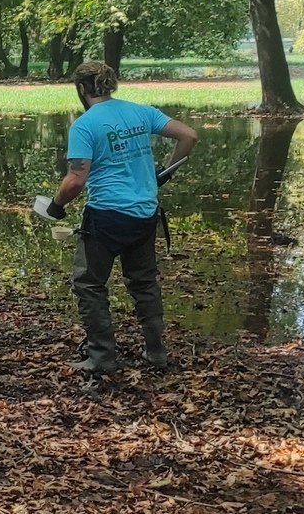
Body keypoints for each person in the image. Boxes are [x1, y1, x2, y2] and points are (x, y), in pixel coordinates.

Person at [46, 62, 198, 374]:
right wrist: (163, 175)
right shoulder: (141, 112)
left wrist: (56, 205)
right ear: (110, 85)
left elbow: (75, 180)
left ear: (81, 89)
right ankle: (156, 352)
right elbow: (189, 136)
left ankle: (101, 357)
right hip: (145, 214)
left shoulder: (85, 125)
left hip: (106, 217)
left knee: (88, 283)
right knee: (143, 283)